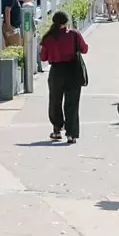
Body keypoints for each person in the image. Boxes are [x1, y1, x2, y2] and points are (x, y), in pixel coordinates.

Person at [39, 10, 88, 143]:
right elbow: (84, 49)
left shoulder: (48, 37)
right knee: (72, 103)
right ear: (66, 22)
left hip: (56, 71)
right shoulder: (74, 34)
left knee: (55, 102)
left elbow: (43, 57)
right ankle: (71, 134)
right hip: (73, 71)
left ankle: (56, 129)